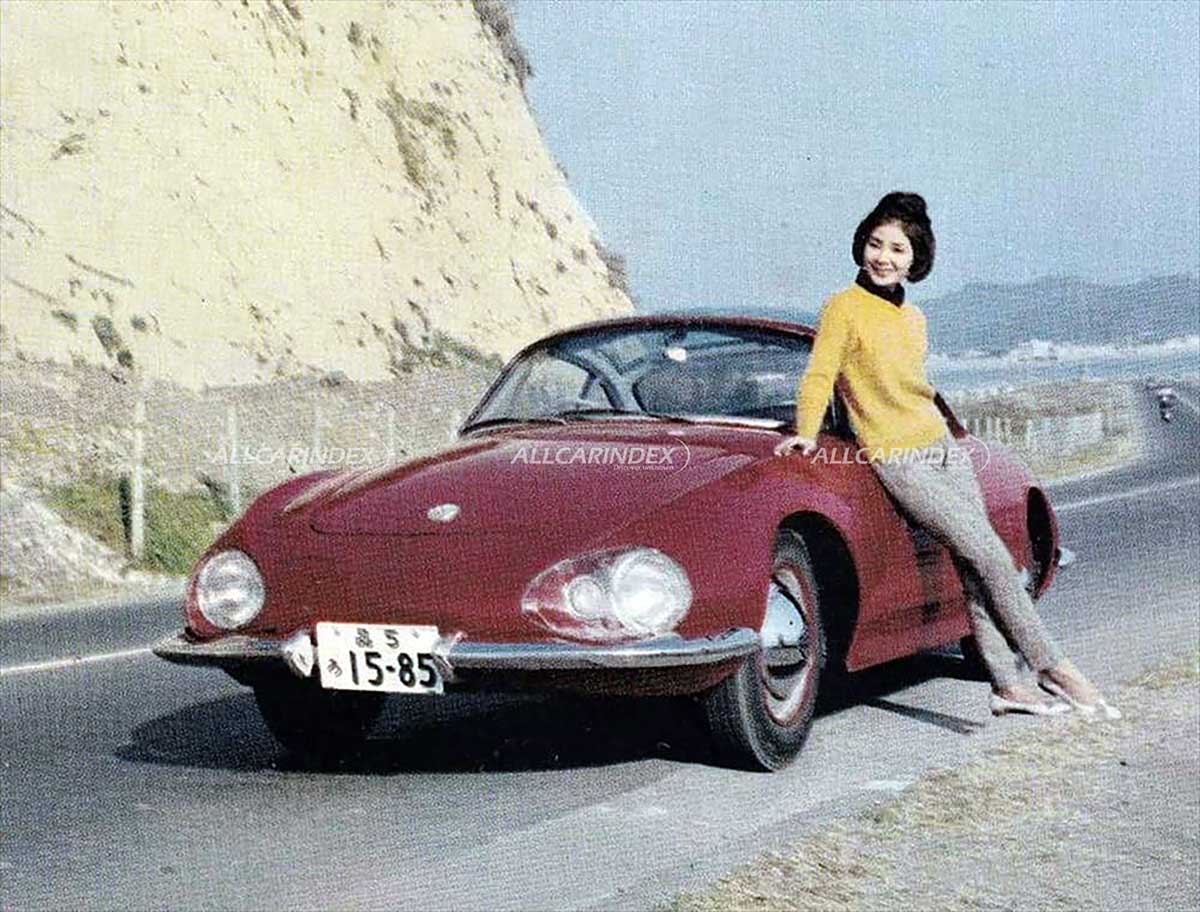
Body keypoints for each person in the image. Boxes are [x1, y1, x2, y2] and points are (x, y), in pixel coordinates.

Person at [774, 192, 1120, 720]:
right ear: (861, 246)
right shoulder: (843, 307)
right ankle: (1052, 666)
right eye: (875, 244)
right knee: (992, 557)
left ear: (915, 259)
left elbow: (917, 389)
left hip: (942, 448)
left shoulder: (914, 318)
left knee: (974, 562)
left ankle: (1008, 684)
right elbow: (820, 373)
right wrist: (806, 431)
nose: (883, 257)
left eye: (897, 249)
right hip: (897, 458)